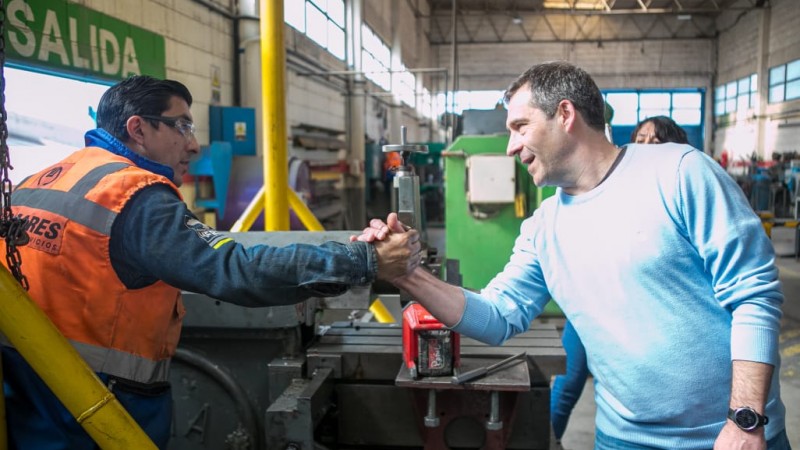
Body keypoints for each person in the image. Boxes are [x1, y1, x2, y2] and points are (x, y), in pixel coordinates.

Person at [355, 61, 790, 449]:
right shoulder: (543, 228)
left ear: (565, 114)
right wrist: (406, 273)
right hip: (623, 438)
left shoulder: (680, 172)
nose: (510, 147)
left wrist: (745, 419)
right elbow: (498, 316)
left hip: (730, 435)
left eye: (520, 127)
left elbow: (753, 295)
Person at [0, 75, 420, 450]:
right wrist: (363, 260)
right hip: (95, 402)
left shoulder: (38, 181)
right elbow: (234, 269)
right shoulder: (133, 196)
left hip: (25, 386)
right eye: (182, 126)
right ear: (138, 128)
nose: (194, 144)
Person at [551, 114, 691, 441]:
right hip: (591, 304)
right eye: (640, 140)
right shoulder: (611, 187)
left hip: (643, 315)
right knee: (566, 385)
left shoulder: (681, 191)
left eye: (656, 141)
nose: (646, 147)